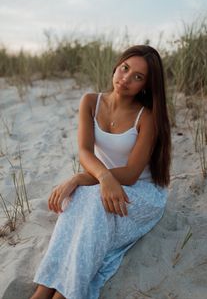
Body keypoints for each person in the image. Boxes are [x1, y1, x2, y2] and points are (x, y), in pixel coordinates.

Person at [30, 45, 171, 299]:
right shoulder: (90, 101)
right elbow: (84, 151)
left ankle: (66, 293)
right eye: (125, 68)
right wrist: (101, 177)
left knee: (91, 200)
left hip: (141, 193)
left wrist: (83, 178)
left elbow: (130, 174)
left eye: (137, 77)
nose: (126, 79)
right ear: (117, 65)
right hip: (102, 182)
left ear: (146, 86)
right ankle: (43, 290)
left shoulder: (146, 116)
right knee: (76, 200)